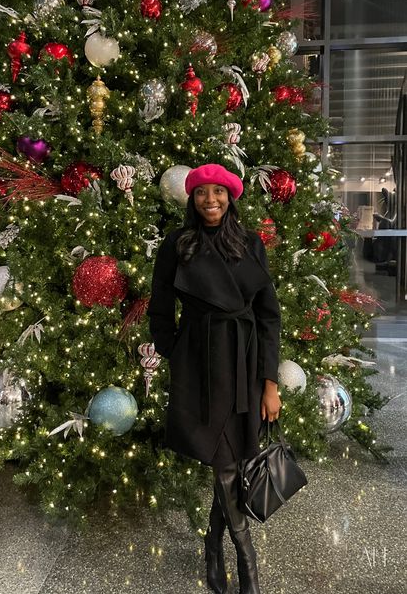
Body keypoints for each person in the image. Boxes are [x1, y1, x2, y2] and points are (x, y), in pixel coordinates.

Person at [147, 163, 282, 594]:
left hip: (244, 359)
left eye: (218, 193)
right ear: (192, 199)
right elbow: (160, 305)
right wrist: (173, 349)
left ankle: (212, 547)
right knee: (226, 463)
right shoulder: (178, 245)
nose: (211, 201)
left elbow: (268, 317)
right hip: (200, 361)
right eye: (202, 193)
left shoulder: (250, 243)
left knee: (234, 460)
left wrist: (270, 382)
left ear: (231, 197)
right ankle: (248, 567)